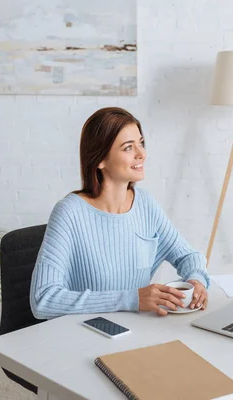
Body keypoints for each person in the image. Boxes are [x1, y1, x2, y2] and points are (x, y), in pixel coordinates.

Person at [30, 107, 210, 319]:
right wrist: (132, 299)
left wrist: (196, 280)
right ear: (100, 159)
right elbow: (43, 299)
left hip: (137, 330)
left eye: (141, 143)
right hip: (85, 334)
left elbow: (188, 256)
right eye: (128, 148)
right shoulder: (70, 213)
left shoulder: (144, 204)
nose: (141, 153)